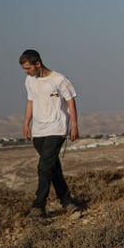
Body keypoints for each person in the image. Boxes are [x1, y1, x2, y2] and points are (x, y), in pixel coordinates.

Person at [20, 49, 81, 217]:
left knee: (44, 166)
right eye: (24, 69)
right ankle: (67, 202)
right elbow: (30, 101)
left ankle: (38, 206)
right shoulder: (29, 80)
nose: (26, 72)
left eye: (28, 68)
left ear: (37, 64)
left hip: (57, 128)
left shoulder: (59, 80)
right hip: (38, 131)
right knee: (52, 168)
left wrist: (74, 125)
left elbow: (70, 102)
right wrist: (26, 123)